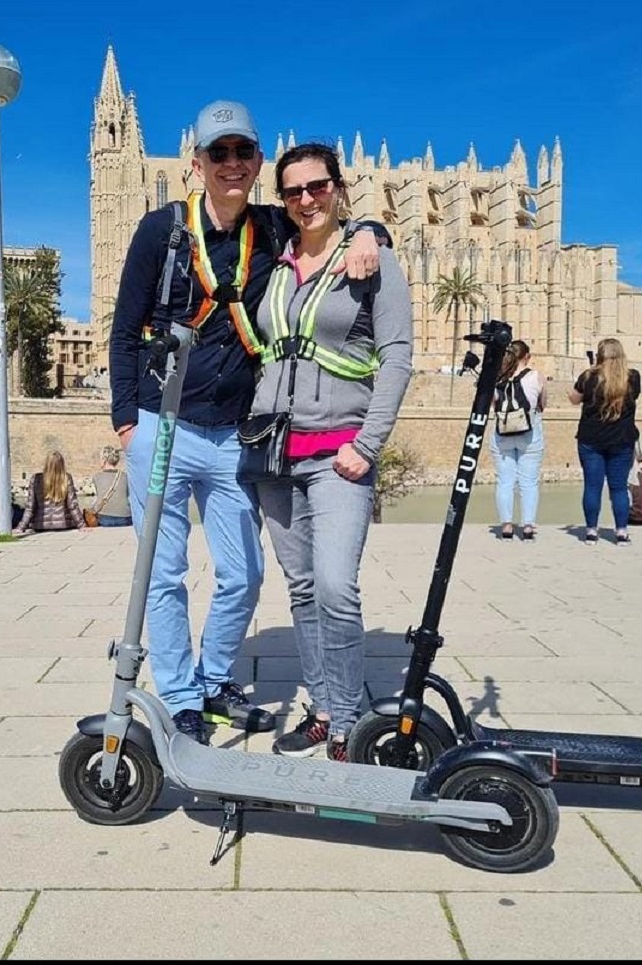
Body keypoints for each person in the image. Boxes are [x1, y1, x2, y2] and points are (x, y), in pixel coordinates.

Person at [109, 99, 385, 745]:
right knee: (163, 570)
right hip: (163, 425)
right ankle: (181, 695)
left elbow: (329, 224)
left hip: (236, 433)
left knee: (244, 573)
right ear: (197, 162)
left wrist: (372, 229)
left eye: (242, 152)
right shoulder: (161, 230)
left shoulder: (272, 225)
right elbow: (124, 330)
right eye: (219, 153)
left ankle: (209, 681)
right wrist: (127, 420)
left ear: (257, 161)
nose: (231, 163)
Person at [248, 143, 413, 761]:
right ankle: (322, 708)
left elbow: (397, 356)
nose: (306, 200)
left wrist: (367, 446)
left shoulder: (372, 260)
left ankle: (348, 721)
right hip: (275, 454)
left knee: (337, 586)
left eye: (317, 187)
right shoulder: (276, 263)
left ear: (339, 188)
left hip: (341, 452)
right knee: (301, 590)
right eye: (293, 192)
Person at [568, 337, 641, 545]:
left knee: (592, 486)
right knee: (618, 488)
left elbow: (574, 399)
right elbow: (633, 397)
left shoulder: (588, 377)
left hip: (591, 440)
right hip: (622, 440)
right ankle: (621, 533)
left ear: (600, 355)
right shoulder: (633, 378)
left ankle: (591, 531)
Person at [489, 340, 547, 541]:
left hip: (502, 434)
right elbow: (543, 404)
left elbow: (492, 405)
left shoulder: (497, 378)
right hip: (529, 435)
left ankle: (506, 526)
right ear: (527, 357)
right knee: (529, 482)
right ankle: (528, 527)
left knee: (505, 481)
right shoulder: (536, 377)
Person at [13, 451, 85, 535]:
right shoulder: (66, 478)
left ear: (46, 463)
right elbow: (72, 505)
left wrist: (21, 527)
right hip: (63, 525)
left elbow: (30, 506)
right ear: (62, 464)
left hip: (40, 526)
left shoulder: (36, 479)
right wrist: (81, 525)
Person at [90, 445, 132, 527]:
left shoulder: (97, 477)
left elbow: (97, 499)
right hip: (125, 518)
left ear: (104, 460)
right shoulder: (125, 476)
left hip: (104, 518)